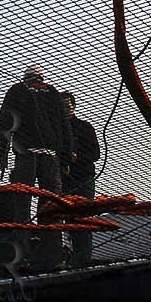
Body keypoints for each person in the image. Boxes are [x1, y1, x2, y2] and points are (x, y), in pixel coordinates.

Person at [0, 65, 73, 270]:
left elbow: (4, 122)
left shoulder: (17, 90)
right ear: (41, 77)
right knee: (51, 207)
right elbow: (64, 126)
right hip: (49, 155)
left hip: (26, 154)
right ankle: (53, 255)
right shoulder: (52, 92)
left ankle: (23, 255)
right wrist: (65, 159)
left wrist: (3, 153)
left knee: (22, 204)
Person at [61, 91, 100, 268]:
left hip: (83, 178)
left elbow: (95, 154)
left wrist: (78, 158)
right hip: (65, 180)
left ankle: (83, 260)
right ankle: (76, 259)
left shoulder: (85, 127)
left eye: (68, 106)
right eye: (62, 107)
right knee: (70, 220)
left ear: (74, 107)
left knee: (82, 218)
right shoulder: (56, 131)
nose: (65, 109)